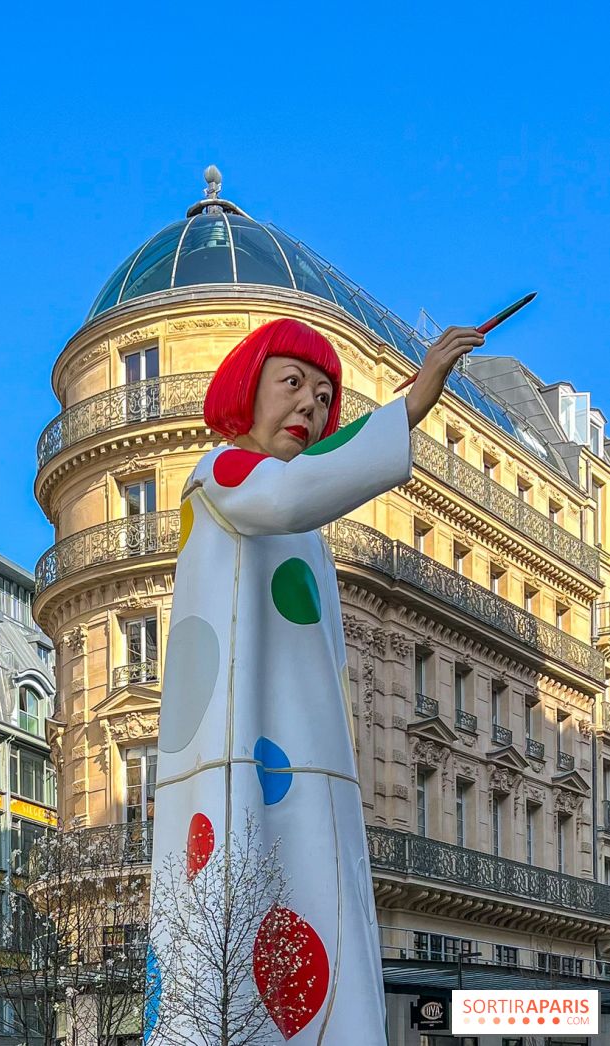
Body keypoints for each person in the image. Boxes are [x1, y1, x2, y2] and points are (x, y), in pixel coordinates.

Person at [148, 317, 484, 1044]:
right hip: (243, 747)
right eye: (292, 383)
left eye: (324, 395)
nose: (310, 404)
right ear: (247, 389)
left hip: (302, 755)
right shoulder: (224, 470)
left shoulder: (297, 518)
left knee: (313, 895)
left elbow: (309, 477)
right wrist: (410, 404)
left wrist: (391, 415)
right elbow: (290, 491)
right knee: (249, 905)